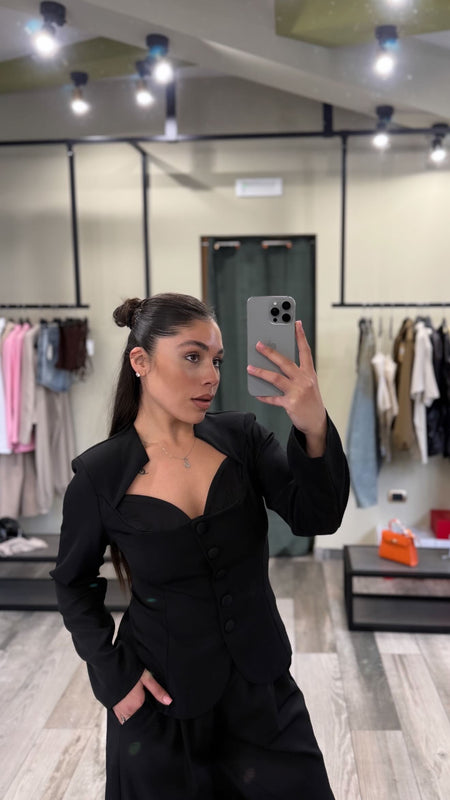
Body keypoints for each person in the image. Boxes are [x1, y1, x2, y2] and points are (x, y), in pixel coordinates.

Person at [51, 292, 349, 800]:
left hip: (263, 694)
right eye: (192, 356)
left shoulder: (243, 438)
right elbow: (73, 584)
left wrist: (312, 425)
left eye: (216, 360)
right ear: (140, 361)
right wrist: (114, 676)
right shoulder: (100, 476)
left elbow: (317, 516)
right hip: (161, 709)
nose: (211, 375)